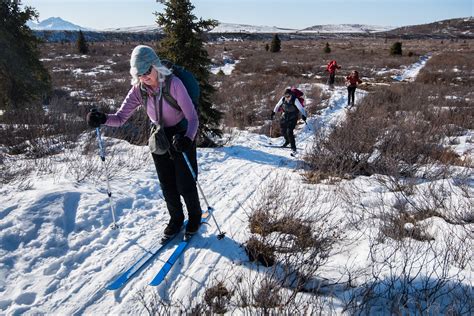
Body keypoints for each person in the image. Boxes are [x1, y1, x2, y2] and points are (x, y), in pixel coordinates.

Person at [86, 45, 202, 239]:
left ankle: (195, 216)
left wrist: (188, 139)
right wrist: (102, 118)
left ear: (156, 66)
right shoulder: (139, 90)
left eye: (146, 71)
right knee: (167, 184)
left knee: (185, 183)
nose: (143, 77)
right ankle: (176, 219)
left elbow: (193, 119)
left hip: (181, 134)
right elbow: (121, 117)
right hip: (159, 136)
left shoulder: (174, 84)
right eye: (138, 74)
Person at [270, 88, 307, 153]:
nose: (287, 97)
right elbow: (277, 105)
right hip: (285, 116)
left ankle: (293, 147)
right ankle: (287, 141)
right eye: (286, 96)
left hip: (293, 117)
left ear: (291, 95)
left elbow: (301, 108)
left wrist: (304, 115)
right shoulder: (283, 99)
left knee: (289, 131)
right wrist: (273, 112)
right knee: (283, 130)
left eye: (288, 96)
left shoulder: (295, 100)